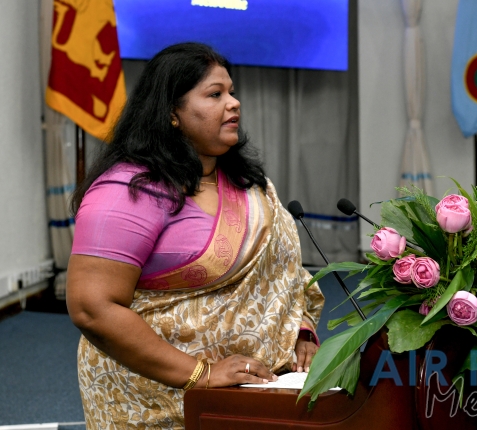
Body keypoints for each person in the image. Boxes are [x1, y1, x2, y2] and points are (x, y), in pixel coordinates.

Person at [66, 42, 324, 428]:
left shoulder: (247, 183)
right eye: (215, 94)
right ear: (172, 112)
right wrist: (200, 374)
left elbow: (283, 275)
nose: (234, 103)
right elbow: (92, 307)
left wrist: (298, 332)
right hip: (151, 398)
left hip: (254, 388)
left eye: (232, 92)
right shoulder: (127, 191)